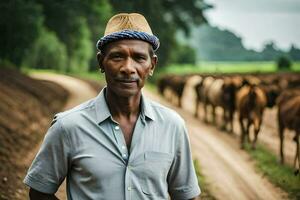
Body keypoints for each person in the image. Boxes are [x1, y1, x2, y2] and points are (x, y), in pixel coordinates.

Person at [24, 13, 201, 200]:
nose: (128, 68)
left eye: (139, 58)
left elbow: (186, 196)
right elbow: (40, 192)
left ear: (152, 65)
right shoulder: (68, 126)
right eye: (117, 57)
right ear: (101, 62)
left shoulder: (172, 125)